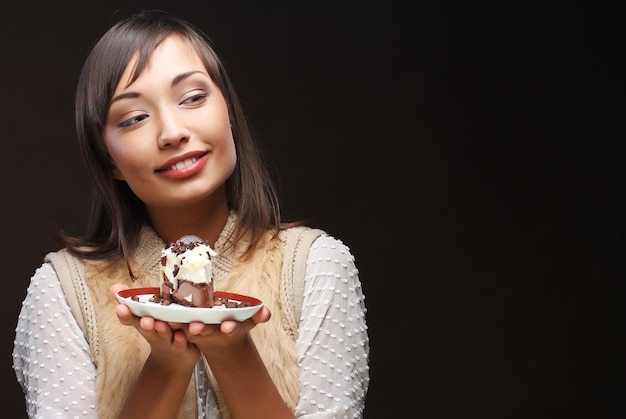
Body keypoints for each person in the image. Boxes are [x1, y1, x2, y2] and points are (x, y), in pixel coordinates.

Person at [12, 10, 369, 419]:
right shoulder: (63, 290)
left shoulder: (316, 266)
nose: (172, 132)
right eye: (134, 118)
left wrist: (233, 352)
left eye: (193, 98)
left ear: (230, 113)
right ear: (108, 159)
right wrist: (166, 365)